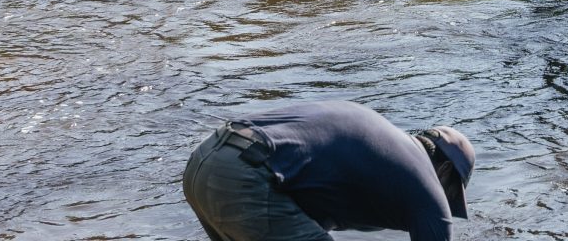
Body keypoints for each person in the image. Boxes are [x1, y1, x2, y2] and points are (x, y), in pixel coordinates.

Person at [181, 99, 476, 241]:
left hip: (204, 161)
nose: (445, 201)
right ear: (445, 168)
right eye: (451, 190)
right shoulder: (423, 179)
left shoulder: (382, 147)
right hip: (248, 175)